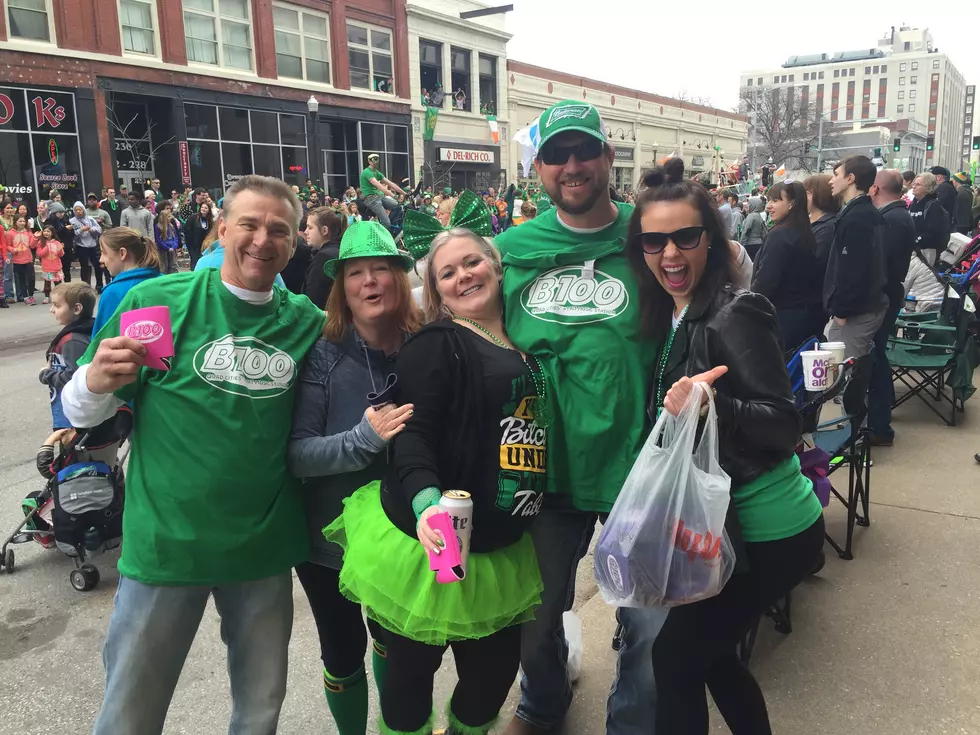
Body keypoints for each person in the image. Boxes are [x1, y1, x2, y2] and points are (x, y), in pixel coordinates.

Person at [493, 101, 753, 735]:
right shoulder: (509, 249)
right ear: (539, 168)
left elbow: (726, 274)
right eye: (557, 155)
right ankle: (542, 700)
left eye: (585, 151)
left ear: (609, 158)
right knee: (534, 616)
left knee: (646, 631)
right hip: (544, 472)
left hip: (644, 468)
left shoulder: (648, 237)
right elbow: (450, 307)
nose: (573, 166)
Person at [60, 175, 329, 735]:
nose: (262, 240)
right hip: (167, 546)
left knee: (260, 711)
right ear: (222, 228)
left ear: (294, 243)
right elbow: (83, 413)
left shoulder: (306, 322)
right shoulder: (156, 303)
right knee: (129, 711)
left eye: (278, 230)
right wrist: (92, 381)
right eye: (249, 225)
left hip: (263, 547)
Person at [325, 221, 545, 735]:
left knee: (490, 684)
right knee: (408, 685)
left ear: (495, 264)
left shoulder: (526, 335)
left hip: (501, 546)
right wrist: (427, 504)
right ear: (437, 289)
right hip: (431, 543)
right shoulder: (436, 343)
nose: (464, 276)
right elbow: (411, 434)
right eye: (447, 272)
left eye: (472, 262)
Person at [627, 161, 824, 735]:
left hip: (771, 530)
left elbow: (784, 424)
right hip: (721, 526)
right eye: (654, 241)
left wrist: (715, 407)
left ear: (710, 241)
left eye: (685, 237)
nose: (670, 254)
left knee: (675, 658)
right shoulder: (670, 313)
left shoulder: (735, 312)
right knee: (710, 659)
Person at [288, 220, 420, 734]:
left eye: (381, 270)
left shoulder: (423, 343)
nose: (370, 282)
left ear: (398, 278)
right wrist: (362, 440)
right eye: (356, 273)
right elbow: (298, 455)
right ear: (342, 287)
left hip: (402, 533)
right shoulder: (322, 352)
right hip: (328, 540)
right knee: (343, 651)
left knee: (396, 640)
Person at [866, 169, 917, 447]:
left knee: (876, 361)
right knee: (877, 360)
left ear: (875, 189)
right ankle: (879, 420)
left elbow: (880, 263)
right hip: (887, 294)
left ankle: (879, 425)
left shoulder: (892, 219)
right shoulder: (896, 215)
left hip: (883, 296)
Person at [825, 155, 888, 359]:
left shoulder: (857, 218)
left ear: (851, 178)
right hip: (861, 307)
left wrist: (842, 311)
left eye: (836, 175)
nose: (831, 180)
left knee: (841, 374)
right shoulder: (862, 213)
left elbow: (854, 269)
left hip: (857, 312)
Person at [751, 181, 824, 350]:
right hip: (799, 316)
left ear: (792, 203)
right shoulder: (804, 232)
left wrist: (748, 307)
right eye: (768, 201)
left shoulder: (780, 235)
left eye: (775, 201)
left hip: (778, 316)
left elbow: (765, 281)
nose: (769, 206)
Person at [39, 282, 97, 429]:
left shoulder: (72, 341)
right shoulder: (90, 330)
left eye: (57, 306)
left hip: (72, 414)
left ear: (77, 309)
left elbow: (74, 377)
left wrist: (46, 375)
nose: (52, 310)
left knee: (72, 449)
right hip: (84, 411)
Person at [93, 227, 163, 336]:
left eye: (104, 253)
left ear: (122, 253)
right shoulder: (164, 280)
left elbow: (100, 340)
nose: (101, 259)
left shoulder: (113, 292)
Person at [302, 207, 346, 308]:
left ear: (324, 230)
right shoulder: (340, 250)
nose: (305, 232)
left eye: (310, 227)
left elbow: (313, 300)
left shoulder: (323, 257)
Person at [908, 172, 950, 268]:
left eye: (918, 184)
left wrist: (916, 240)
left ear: (928, 188)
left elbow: (933, 231)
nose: (914, 187)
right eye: (914, 184)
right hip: (911, 249)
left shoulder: (933, 205)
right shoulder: (913, 204)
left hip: (926, 251)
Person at [803, 173, 840, 277]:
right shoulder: (806, 221)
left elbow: (814, 263)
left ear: (821, 195)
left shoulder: (828, 226)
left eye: (807, 193)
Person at [360, 153, 406, 233]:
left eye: (376, 159)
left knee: (398, 207)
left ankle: (392, 229)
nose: (375, 162)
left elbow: (391, 184)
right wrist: (394, 196)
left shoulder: (377, 173)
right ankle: (385, 238)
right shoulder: (367, 172)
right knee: (386, 223)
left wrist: (404, 193)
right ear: (369, 161)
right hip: (371, 199)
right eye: (372, 160)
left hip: (379, 197)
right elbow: (379, 186)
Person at [69, 202, 104, 292]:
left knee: (97, 265)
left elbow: (99, 230)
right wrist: (80, 230)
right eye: (76, 210)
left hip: (92, 245)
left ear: (83, 210)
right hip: (81, 246)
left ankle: (99, 285)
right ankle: (86, 286)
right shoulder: (72, 221)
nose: (78, 212)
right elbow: (72, 235)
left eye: (80, 210)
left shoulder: (90, 219)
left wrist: (91, 229)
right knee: (85, 267)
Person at [7, 214, 37, 304]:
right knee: (21, 279)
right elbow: (8, 245)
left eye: (23, 221)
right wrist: (12, 250)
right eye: (20, 221)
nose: (22, 223)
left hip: (28, 259)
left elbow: (32, 245)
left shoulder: (28, 232)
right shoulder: (10, 233)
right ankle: (25, 297)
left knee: (31, 278)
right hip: (17, 261)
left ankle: (31, 295)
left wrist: (35, 237)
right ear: (15, 222)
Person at [45, 202, 74, 284]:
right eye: (59, 213)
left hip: (66, 247)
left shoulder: (65, 220)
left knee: (66, 269)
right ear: (54, 213)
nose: (61, 214)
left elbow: (71, 234)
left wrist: (71, 230)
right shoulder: (49, 221)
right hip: (54, 249)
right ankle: (55, 287)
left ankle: (68, 286)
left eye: (63, 212)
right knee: (55, 270)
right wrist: (65, 229)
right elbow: (53, 233)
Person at [36, 225, 65, 304]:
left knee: (58, 284)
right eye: (45, 231)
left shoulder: (57, 242)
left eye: (48, 231)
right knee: (47, 283)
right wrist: (47, 247)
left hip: (56, 267)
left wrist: (60, 249)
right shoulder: (41, 242)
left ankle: (59, 297)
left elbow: (61, 254)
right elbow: (40, 254)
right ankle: (46, 296)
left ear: (52, 233)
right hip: (48, 268)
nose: (46, 233)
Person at [184, 200, 215, 269]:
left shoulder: (209, 220)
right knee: (195, 260)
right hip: (193, 244)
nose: (203, 209)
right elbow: (187, 229)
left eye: (206, 208)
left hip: (203, 244)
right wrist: (190, 240)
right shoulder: (193, 217)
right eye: (202, 207)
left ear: (209, 210)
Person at [154, 203, 180, 274]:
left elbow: (175, 237)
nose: (170, 218)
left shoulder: (171, 226)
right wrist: (167, 248)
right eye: (168, 217)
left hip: (172, 248)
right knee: (164, 266)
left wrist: (174, 246)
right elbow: (158, 240)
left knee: (173, 265)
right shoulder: (158, 227)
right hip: (163, 249)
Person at [739, 195, 766, 260]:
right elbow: (763, 232)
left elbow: (746, 231)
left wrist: (741, 243)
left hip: (750, 245)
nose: (747, 206)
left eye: (749, 204)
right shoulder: (759, 216)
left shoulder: (751, 217)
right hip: (759, 244)